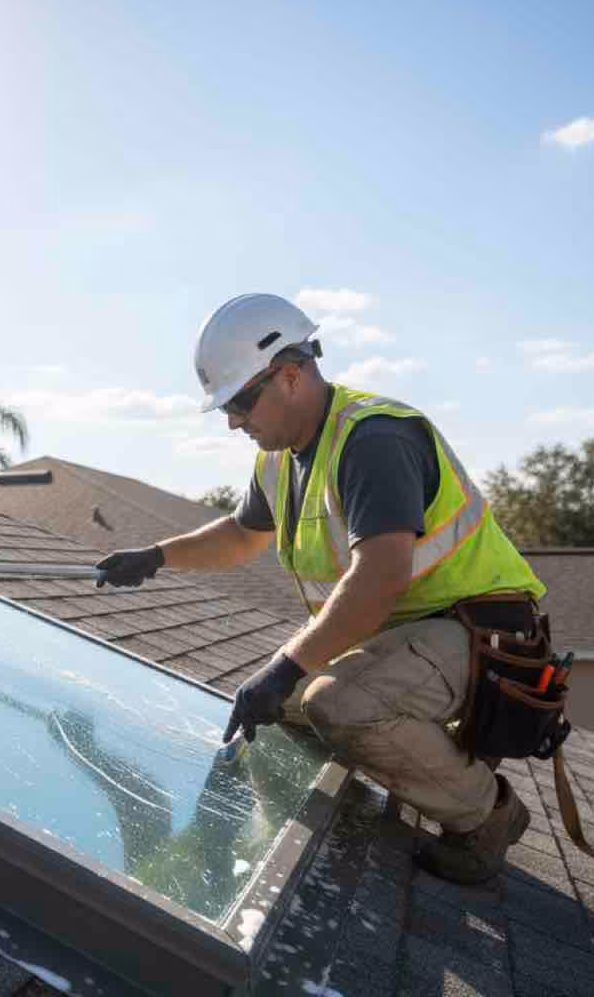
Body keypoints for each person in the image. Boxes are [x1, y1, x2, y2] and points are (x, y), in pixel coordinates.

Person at [95, 293, 548, 885]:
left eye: (238, 401)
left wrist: (288, 665)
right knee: (275, 708)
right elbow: (241, 535)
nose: (233, 420)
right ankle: (382, 769)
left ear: (289, 376)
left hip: (482, 634)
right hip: (408, 635)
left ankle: (488, 814)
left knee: (331, 701)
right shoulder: (280, 457)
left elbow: (379, 578)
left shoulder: (373, 438)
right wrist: (156, 556)